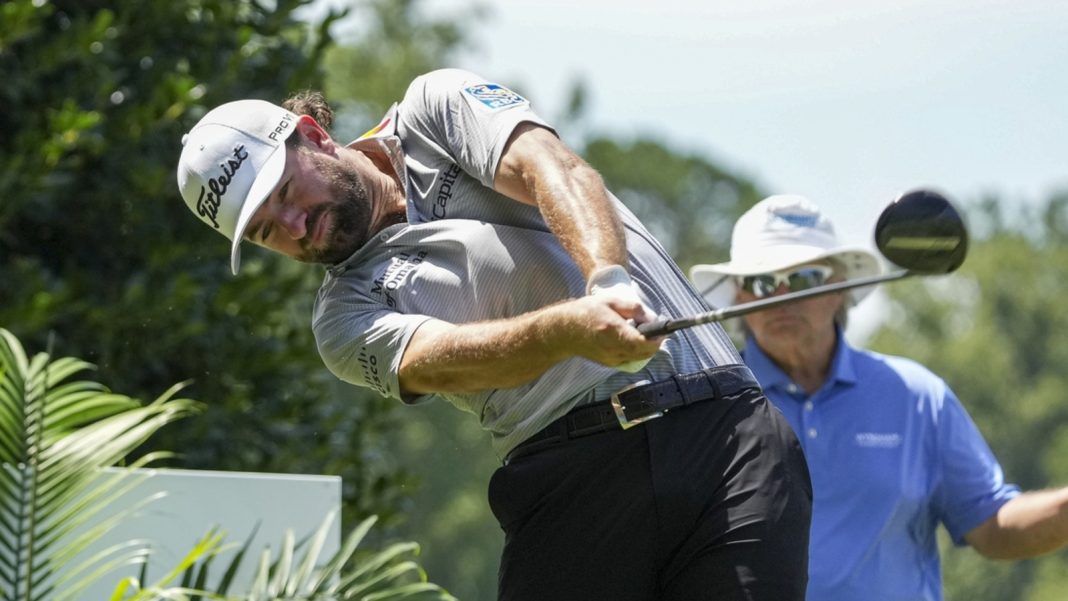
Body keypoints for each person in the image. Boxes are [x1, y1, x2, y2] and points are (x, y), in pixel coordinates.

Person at [174, 69, 812, 600]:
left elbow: (549, 167)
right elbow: (448, 362)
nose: (293, 225)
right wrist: (569, 331)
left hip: (724, 432)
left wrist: (607, 279)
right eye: (266, 231)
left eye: (285, 190)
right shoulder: (343, 317)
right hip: (571, 482)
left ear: (313, 135)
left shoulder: (432, 110)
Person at [690, 194, 1068, 601]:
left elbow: (992, 527)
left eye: (803, 277)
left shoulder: (916, 396)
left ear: (839, 287)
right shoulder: (710, 406)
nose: (782, 295)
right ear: (739, 297)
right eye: (762, 282)